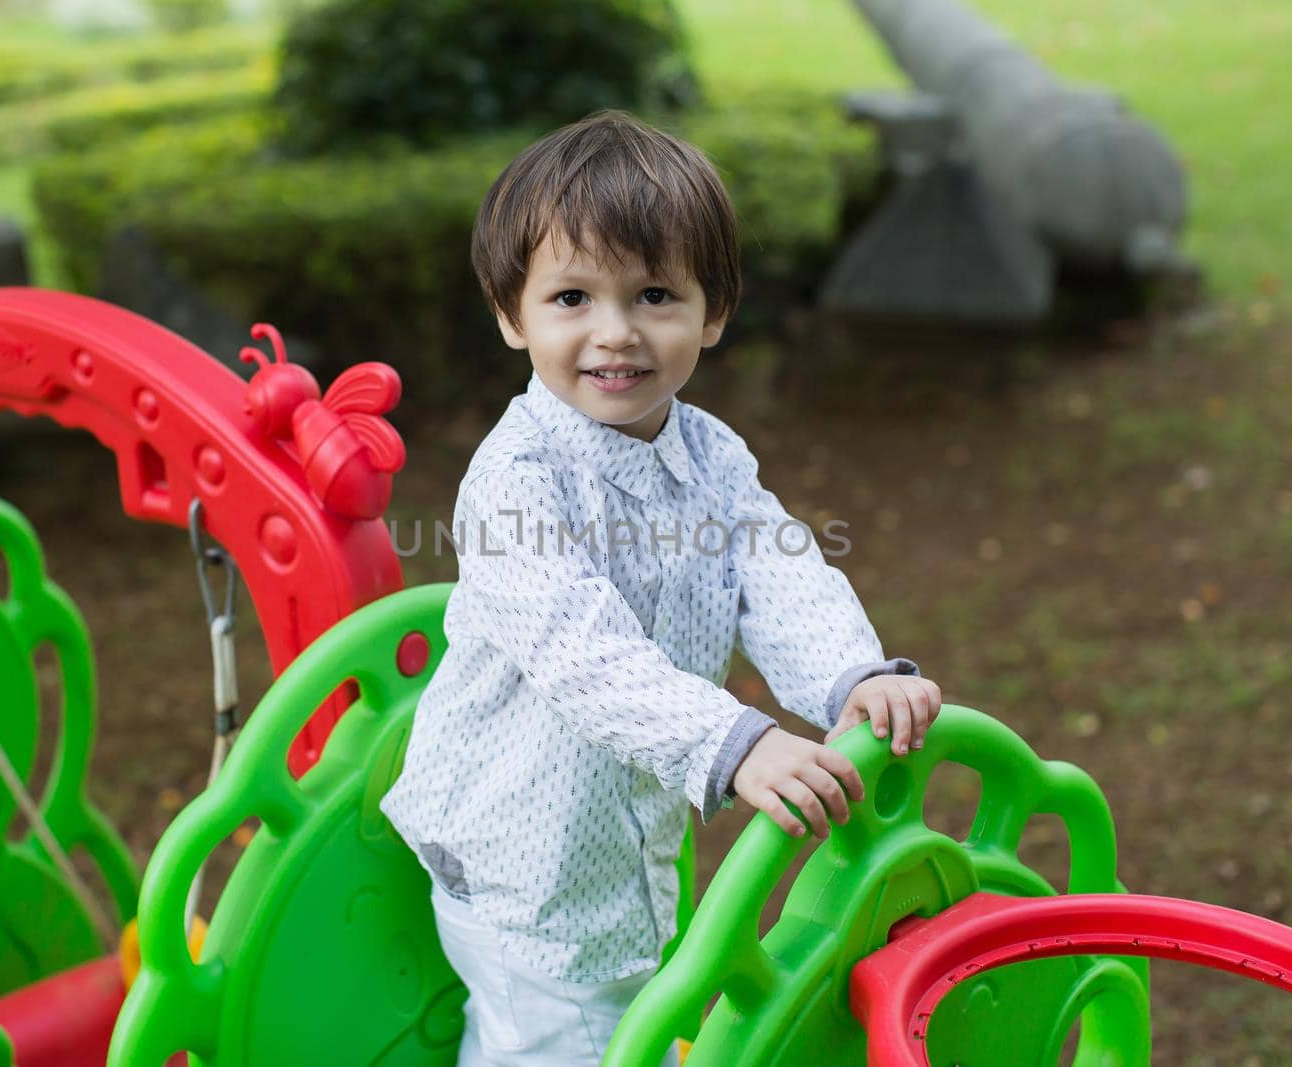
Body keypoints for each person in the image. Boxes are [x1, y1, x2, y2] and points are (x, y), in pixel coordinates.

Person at [381, 110, 941, 1066]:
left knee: (631, 1016)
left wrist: (852, 675)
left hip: (618, 834)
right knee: (553, 1042)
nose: (615, 334)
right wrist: (733, 739)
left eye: (652, 294)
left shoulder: (710, 452)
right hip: (523, 858)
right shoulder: (515, 481)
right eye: (570, 298)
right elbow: (580, 652)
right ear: (512, 315)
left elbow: (776, 569)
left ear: (711, 312)